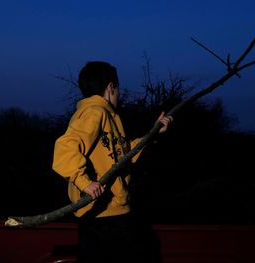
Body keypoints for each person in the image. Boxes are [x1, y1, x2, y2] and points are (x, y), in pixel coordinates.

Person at [52, 61, 173, 263]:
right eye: (118, 89)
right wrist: (83, 182)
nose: (119, 94)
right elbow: (65, 148)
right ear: (110, 87)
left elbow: (125, 155)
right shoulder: (94, 112)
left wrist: (152, 133)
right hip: (103, 217)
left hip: (113, 212)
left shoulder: (108, 116)